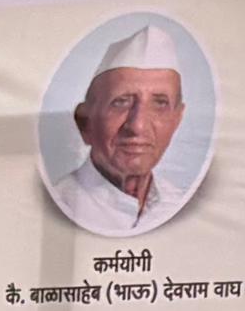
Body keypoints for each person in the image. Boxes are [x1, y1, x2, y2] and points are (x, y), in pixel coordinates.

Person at [43, 21, 200, 237]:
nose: (137, 126)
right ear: (85, 122)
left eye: (160, 104)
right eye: (121, 102)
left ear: (177, 119)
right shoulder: (53, 209)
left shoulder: (186, 209)